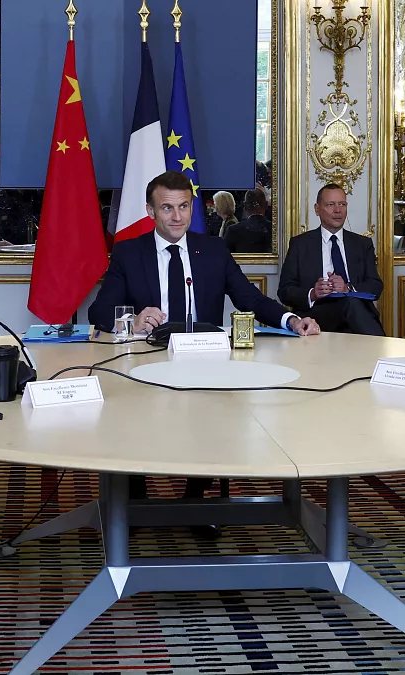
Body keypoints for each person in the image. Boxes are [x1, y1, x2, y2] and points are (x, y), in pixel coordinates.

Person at [88, 171, 320, 533]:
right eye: (167, 208)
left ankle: (195, 501)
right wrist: (132, 319)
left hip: (204, 361)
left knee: (215, 416)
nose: (177, 216)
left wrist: (291, 320)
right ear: (150, 211)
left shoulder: (212, 250)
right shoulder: (129, 252)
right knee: (129, 415)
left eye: (183, 207)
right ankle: (134, 503)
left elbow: (250, 298)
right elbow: (99, 312)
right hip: (147, 361)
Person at [278, 183, 383, 335]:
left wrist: (348, 288)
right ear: (317, 209)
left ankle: (378, 347)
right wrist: (313, 293)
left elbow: (376, 286)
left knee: (351, 302)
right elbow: (284, 291)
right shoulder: (300, 244)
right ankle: (381, 348)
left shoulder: (362, 244)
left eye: (342, 204)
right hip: (316, 314)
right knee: (351, 304)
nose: (338, 210)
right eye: (330, 205)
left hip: (355, 313)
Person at [225, 188, 272, 253]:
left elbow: (222, 256)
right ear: (266, 205)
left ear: (245, 205)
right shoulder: (276, 230)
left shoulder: (233, 231)